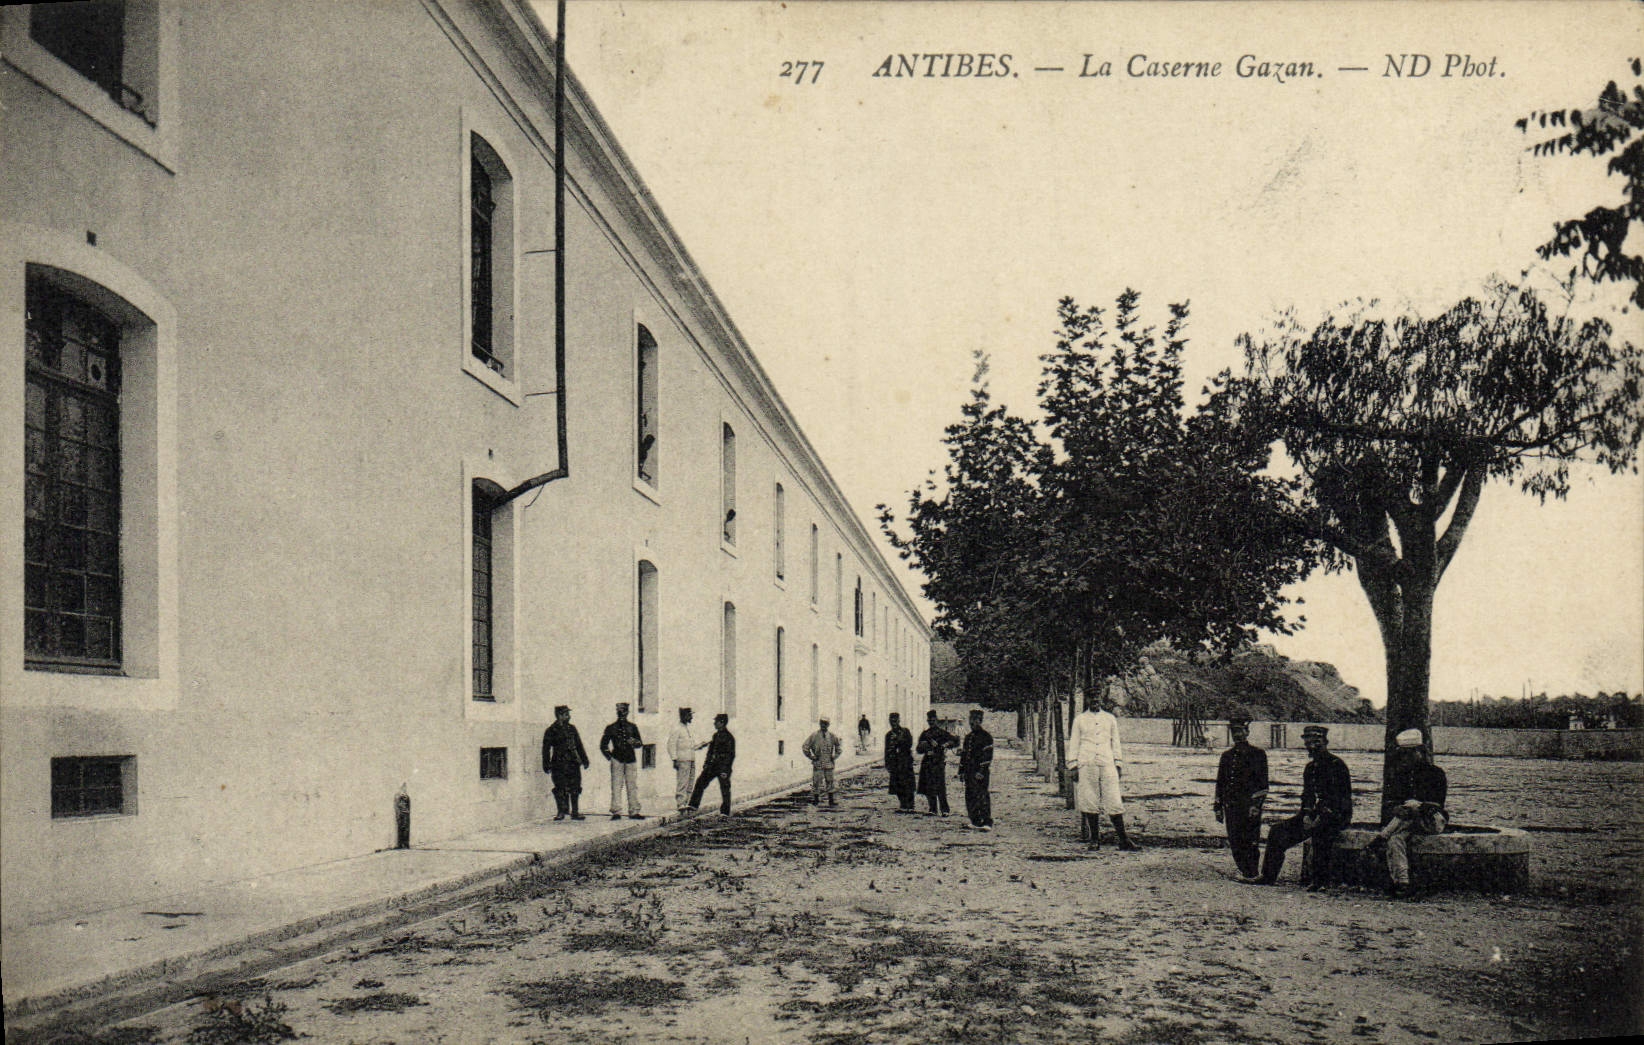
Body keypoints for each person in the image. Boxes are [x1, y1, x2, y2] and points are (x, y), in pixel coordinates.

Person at [1254, 724, 1353, 890]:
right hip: (1314, 814)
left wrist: (1319, 818)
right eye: (1309, 743)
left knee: (1321, 832)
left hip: (1336, 815)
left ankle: (1320, 882)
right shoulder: (1310, 768)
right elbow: (1307, 795)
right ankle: (1268, 876)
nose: (1312, 747)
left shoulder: (1337, 765)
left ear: (1325, 742)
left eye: (1316, 743)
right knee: (1277, 831)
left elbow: (1339, 799)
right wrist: (1306, 814)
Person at [1374, 728, 1449, 898]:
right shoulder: (1402, 775)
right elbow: (1393, 801)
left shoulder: (1436, 774)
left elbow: (1438, 805)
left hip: (1431, 821)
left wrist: (1418, 806)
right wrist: (1397, 808)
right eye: (1404, 754)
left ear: (1420, 752)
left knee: (1411, 808)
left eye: (1410, 753)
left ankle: (1381, 838)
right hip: (1406, 823)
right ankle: (1402, 882)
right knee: (1395, 840)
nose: (1406, 758)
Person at [1067, 687, 1140, 851]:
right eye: (1092, 697)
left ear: (1101, 699)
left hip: (1107, 762)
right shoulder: (1080, 720)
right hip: (1087, 762)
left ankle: (1123, 839)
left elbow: (1116, 742)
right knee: (1089, 799)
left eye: (1097, 697)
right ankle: (1095, 839)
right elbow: (1074, 742)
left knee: (1114, 799)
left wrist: (1118, 763)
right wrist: (1073, 765)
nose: (1095, 700)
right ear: (1087, 700)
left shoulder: (1110, 719)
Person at [1214, 712, 1269, 878]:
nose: (1237, 735)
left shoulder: (1258, 754)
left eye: (1240, 731)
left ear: (1247, 732)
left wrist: (1256, 805)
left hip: (1248, 805)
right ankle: (1243, 870)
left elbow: (1262, 783)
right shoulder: (1227, 756)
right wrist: (1218, 807)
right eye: (1234, 731)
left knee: (1250, 838)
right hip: (1231, 805)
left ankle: (1252, 871)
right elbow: (1221, 782)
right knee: (1234, 838)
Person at [541, 705, 591, 821]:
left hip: (573, 762)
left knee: (575, 787)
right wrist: (546, 764)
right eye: (566, 714)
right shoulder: (551, 730)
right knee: (559, 788)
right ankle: (561, 812)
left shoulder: (572, 729)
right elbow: (546, 749)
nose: (569, 716)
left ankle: (575, 812)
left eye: (568, 714)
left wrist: (584, 760)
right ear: (559, 715)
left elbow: (579, 745)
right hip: (558, 764)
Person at [599, 702, 645, 820]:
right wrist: (610, 757)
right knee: (616, 786)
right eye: (619, 711)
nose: (622, 713)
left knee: (632, 786)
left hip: (630, 759)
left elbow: (640, 743)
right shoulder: (611, 727)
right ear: (617, 712)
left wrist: (635, 742)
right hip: (617, 759)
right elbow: (603, 745)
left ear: (627, 712)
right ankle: (616, 812)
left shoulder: (632, 727)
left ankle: (634, 811)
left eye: (624, 711)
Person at [687, 713, 737, 816]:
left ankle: (725, 812)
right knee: (700, 782)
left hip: (723, 767)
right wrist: (706, 763)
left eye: (716, 721)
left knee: (725, 789)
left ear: (722, 723)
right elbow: (710, 751)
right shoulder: (715, 735)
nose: (714, 723)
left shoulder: (729, 737)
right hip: (712, 766)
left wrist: (725, 770)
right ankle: (693, 805)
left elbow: (730, 755)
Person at [916, 709, 959, 816]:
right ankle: (933, 809)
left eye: (933, 720)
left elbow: (956, 741)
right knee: (929, 786)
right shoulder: (925, 734)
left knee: (940, 786)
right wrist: (924, 746)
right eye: (929, 720)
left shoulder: (942, 733)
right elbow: (918, 749)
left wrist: (946, 744)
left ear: (937, 720)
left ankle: (945, 810)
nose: (931, 722)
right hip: (927, 762)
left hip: (938, 762)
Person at [667, 707, 708, 815]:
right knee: (683, 782)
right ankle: (681, 804)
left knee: (690, 782)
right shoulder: (677, 728)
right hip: (682, 760)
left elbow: (690, 746)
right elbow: (671, 744)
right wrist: (674, 759)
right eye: (690, 715)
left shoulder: (687, 729)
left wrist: (700, 745)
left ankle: (687, 802)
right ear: (684, 716)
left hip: (691, 759)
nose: (691, 717)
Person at [959, 709, 994, 830]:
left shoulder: (986, 737)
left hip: (980, 772)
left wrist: (981, 771)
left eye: (975, 720)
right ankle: (975, 821)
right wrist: (961, 771)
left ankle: (986, 821)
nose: (972, 722)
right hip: (969, 771)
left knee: (982, 795)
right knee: (970, 796)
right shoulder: (968, 737)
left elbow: (988, 756)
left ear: (980, 721)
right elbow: (964, 755)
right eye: (970, 719)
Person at [802, 718, 843, 807]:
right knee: (816, 782)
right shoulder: (814, 735)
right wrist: (811, 757)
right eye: (822, 723)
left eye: (825, 724)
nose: (823, 725)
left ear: (828, 725)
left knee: (830, 781)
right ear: (820, 724)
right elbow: (805, 747)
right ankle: (816, 800)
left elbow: (839, 748)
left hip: (828, 763)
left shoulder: (832, 736)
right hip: (818, 762)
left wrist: (834, 757)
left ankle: (831, 801)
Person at [884, 712, 917, 812]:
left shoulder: (905, 731)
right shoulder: (888, 735)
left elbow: (909, 744)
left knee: (908, 783)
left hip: (905, 761)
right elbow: (886, 750)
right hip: (894, 762)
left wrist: (899, 741)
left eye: (895, 721)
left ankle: (910, 805)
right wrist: (887, 763)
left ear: (899, 721)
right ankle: (903, 804)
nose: (893, 723)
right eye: (891, 721)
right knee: (897, 784)